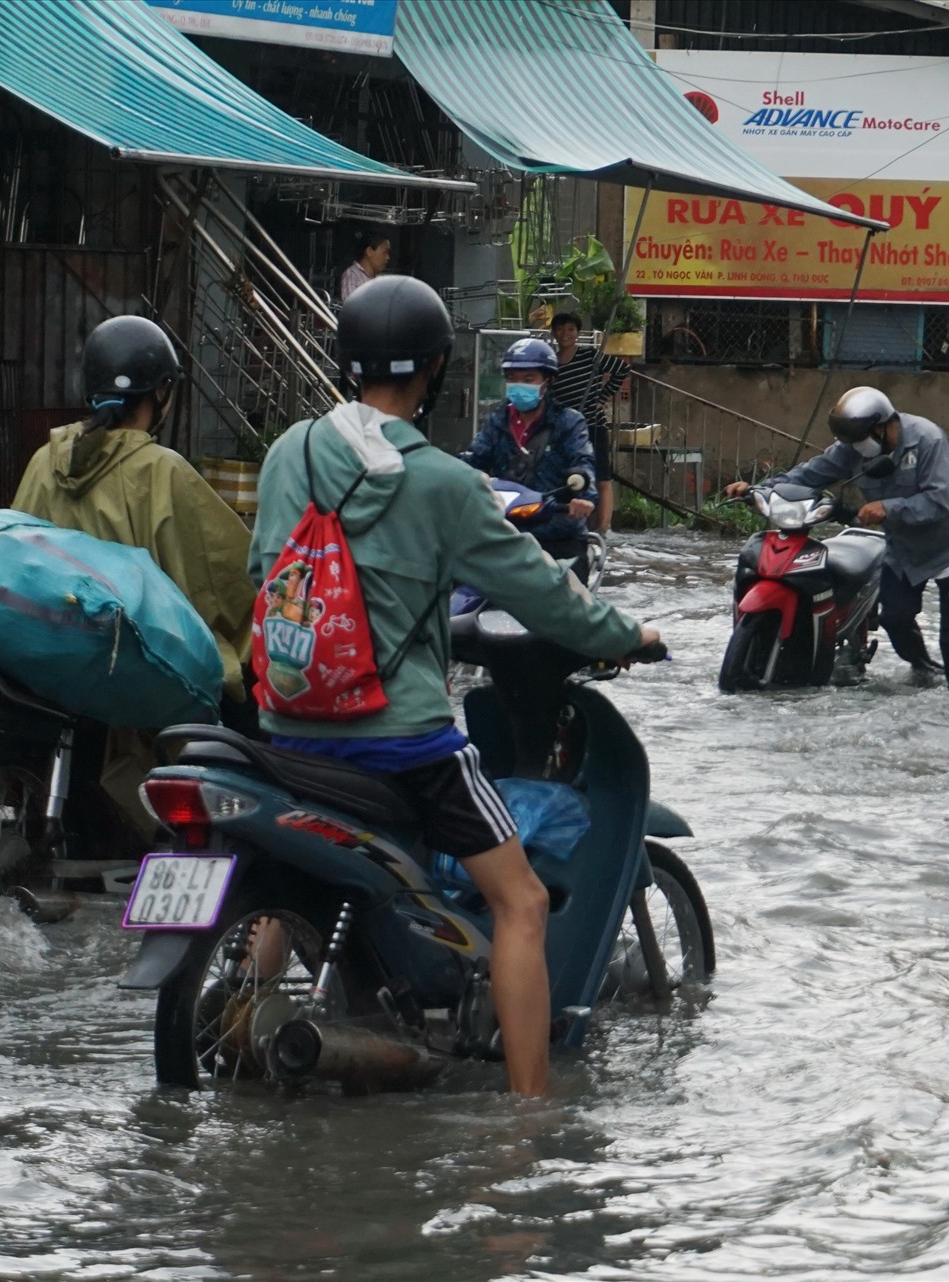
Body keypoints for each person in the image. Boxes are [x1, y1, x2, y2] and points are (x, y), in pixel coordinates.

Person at [250, 275, 660, 1097]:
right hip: (403, 740)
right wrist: (631, 634)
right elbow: (542, 591)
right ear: (436, 368)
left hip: (286, 725)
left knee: (275, 875)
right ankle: (528, 1115)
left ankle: (249, 1005)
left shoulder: (288, 452)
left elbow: (263, 574)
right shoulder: (445, 480)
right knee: (522, 901)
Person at [12, 315, 258, 822]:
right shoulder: (163, 471)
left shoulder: (44, 461)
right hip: (136, 677)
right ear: (162, 393)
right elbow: (229, 583)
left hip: (49, 668)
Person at [723, 387, 949, 686]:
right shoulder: (852, 448)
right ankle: (923, 668)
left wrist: (887, 507)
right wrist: (761, 488)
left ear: (882, 427)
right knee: (894, 618)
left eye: (860, 439)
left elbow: (938, 500)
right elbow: (811, 473)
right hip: (902, 548)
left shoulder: (928, 440)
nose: (856, 447)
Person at [460, 337, 596, 553]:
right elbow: (474, 460)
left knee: (570, 586)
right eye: (513, 379)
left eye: (529, 379)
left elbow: (583, 461)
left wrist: (582, 499)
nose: (519, 385)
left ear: (547, 382)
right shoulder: (497, 420)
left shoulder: (569, 422)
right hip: (505, 531)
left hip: (557, 533)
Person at [548, 312, 629, 534]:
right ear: (553, 332)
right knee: (569, 478)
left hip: (592, 425)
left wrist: (601, 397)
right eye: (561, 329)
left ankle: (604, 529)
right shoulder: (551, 363)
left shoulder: (589, 356)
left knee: (602, 477)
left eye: (571, 329)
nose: (566, 334)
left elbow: (622, 369)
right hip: (565, 430)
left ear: (577, 333)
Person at [339, 231, 391, 302]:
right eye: (385, 252)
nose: (387, 257)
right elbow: (352, 307)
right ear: (369, 251)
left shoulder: (380, 280)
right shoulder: (352, 275)